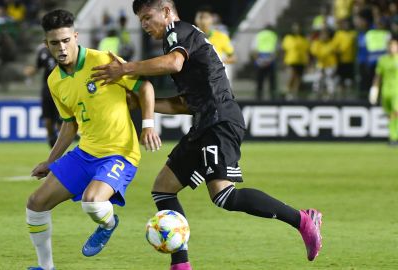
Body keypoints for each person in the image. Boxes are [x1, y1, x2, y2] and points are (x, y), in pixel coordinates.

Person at [91, 1, 323, 269]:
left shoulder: (178, 31)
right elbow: (185, 104)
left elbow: (174, 64)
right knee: (163, 189)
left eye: (147, 17)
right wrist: (141, 104)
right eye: (140, 20)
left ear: (166, 11)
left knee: (223, 195)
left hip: (220, 119)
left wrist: (125, 68)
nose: (143, 24)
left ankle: (303, 219)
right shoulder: (175, 42)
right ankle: (181, 265)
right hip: (205, 121)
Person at [25, 9, 161, 270]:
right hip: (85, 152)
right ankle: (46, 267)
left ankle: (109, 224)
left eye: (66, 40)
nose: (62, 48)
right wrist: (50, 161)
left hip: (120, 153)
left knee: (92, 201)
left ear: (76, 36)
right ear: (47, 45)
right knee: (36, 204)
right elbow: (69, 124)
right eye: (55, 43)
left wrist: (147, 125)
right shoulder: (54, 80)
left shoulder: (103, 60)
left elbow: (144, 86)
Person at [24, 44, 62, 148]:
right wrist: (31, 71)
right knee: (48, 121)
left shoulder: (64, 50)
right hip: (47, 90)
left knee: (61, 122)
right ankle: (52, 147)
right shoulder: (43, 52)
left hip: (62, 89)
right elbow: (38, 67)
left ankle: (62, 147)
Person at [369, 37, 398, 146]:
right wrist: (374, 90)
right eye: (390, 46)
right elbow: (378, 76)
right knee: (390, 115)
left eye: (393, 46)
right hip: (386, 91)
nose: (391, 48)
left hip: (397, 91)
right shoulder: (382, 60)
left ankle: (395, 136)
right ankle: (392, 138)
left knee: (396, 112)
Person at [194, 7, 235, 81]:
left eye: (206, 17)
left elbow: (233, 58)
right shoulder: (192, 37)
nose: (203, 21)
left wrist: (218, 61)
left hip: (218, 78)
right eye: (201, 17)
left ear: (211, 20)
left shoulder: (221, 36)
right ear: (196, 20)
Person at [282, 22, 309, 100]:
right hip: (291, 60)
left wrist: (307, 62)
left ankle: (295, 93)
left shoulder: (303, 39)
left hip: (301, 61)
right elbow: (285, 50)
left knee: (299, 78)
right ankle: (288, 92)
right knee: (292, 76)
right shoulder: (288, 38)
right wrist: (284, 61)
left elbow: (306, 51)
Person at [252, 25, 278, 100]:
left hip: (260, 58)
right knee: (272, 81)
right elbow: (277, 49)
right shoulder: (274, 35)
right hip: (271, 59)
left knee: (259, 81)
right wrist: (271, 59)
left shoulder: (258, 35)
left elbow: (253, 49)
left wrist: (258, 60)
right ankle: (273, 98)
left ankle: (258, 98)